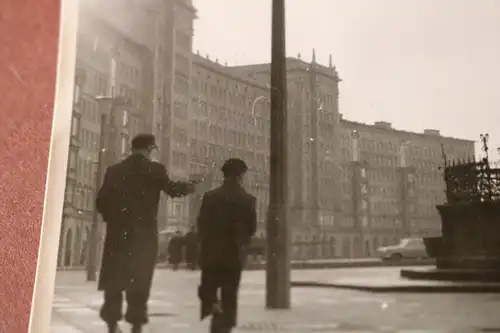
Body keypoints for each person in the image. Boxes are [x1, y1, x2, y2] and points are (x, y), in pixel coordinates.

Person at [95, 133, 200, 333]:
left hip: (118, 235)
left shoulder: (114, 171)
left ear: (132, 148)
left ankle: (111, 324)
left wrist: (114, 220)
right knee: (140, 279)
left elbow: (101, 201)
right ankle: (136, 324)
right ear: (150, 149)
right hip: (143, 236)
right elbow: (172, 189)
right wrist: (190, 186)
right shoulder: (155, 170)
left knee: (114, 280)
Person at [197, 158, 257, 333]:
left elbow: (202, 224)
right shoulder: (247, 200)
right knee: (230, 293)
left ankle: (214, 309)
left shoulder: (210, 197)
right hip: (234, 254)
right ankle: (225, 324)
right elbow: (252, 228)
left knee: (209, 288)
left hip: (211, 254)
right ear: (240, 176)